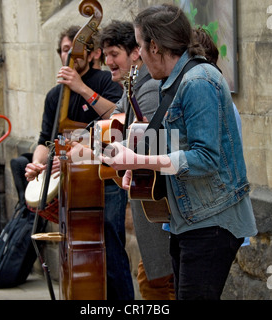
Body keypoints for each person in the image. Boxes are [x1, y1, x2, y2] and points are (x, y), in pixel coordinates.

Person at [100, 4, 257, 300]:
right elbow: (176, 148)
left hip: (212, 222)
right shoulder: (173, 81)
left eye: (141, 47)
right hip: (188, 219)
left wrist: (138, 159)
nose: (141, 57)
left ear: (155, 46)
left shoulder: (198, 82)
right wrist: (137, 168)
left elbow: (206, 158)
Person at [24, 26, 135, 300]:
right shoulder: (54, 96)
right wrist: (39, 165)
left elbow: (119, 120)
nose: (69, 56)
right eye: (64, 50)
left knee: (110, 245)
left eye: (73, 50)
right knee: (77, 246)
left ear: (93, 53)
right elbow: (44, 139)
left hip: (105, 176)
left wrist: (81, 88)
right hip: (71, 179)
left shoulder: (105, 81)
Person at [99, 20, 174, 300]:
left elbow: (149, 147)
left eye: (114, 53)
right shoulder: (132, 87)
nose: (108, 61)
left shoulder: (150, 89)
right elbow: (108, 129)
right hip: (150, 209)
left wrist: (103, 153)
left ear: (135, 53)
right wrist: (71, 149)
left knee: (158, 284)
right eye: (105, 54)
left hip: (159, 207)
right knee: (151, 280)